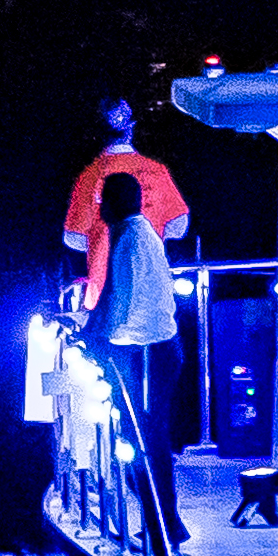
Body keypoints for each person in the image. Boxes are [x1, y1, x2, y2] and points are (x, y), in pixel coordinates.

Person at [63, 100, 189, 301]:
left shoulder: (88, 177)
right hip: (151, 295)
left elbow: (73, 237)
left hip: (103, 296)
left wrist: (99, 242)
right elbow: (179, 227)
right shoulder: (156, 171)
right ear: (131, 129)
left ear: (100, 133)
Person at [90, 172, 183, 412]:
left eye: (103, 200)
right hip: (158, 344)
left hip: (146, 349)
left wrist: (96, 335)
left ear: (114, 202)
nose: (99, 207)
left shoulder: (130, 238)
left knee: (139, 425)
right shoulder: (138, 232)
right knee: (152, 426)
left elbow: (121, 295)